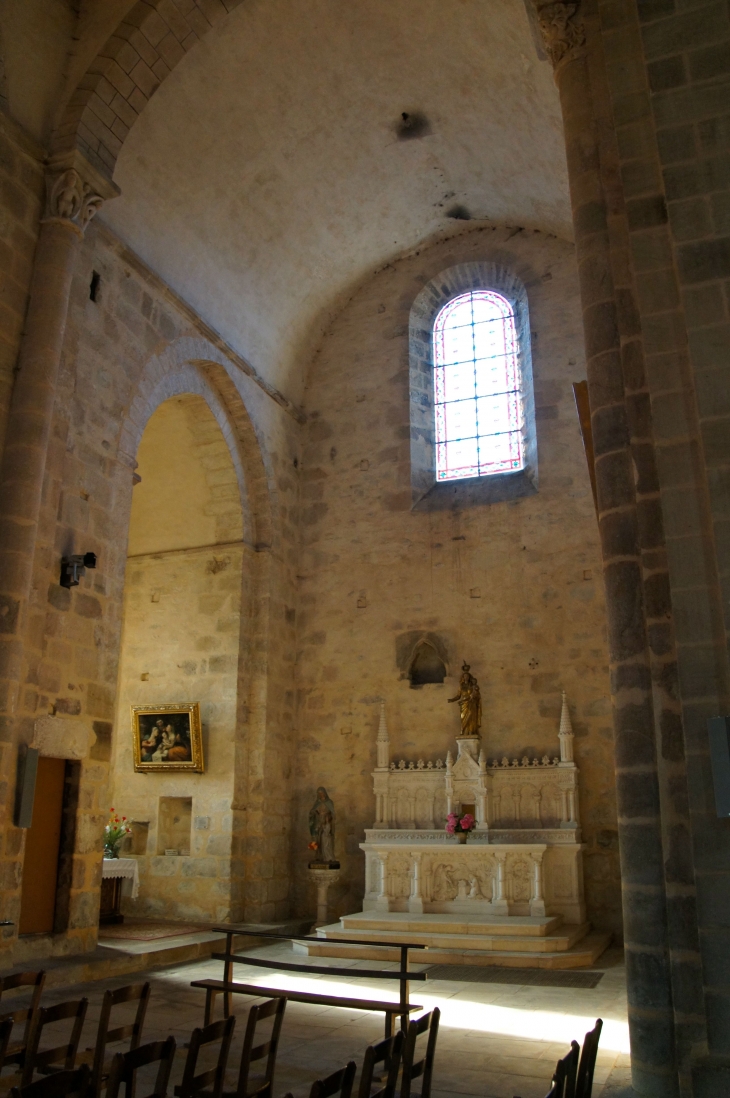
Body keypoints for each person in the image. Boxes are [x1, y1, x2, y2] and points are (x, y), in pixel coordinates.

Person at [448, 662, 482, 736]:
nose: (466, 677)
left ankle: (471, 732)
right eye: (464, 676)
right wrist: (451, 700)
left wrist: (475, 695)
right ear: (463, 677)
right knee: (463, 718)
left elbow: (477, 694)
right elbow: (458, 696)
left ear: (469, 677)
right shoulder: (461, 686)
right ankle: (463, 731)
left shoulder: (472, 685)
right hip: (463, 703)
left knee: (471, 718)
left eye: (467, 676)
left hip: (471, 703)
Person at [308, 786, 335, 863]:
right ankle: (319, 856)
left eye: (322, 793)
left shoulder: (329, 802)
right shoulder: (317, 803)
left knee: (325, 839)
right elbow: (312, 812)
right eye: (319, 794)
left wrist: (327, 817)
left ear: (325, 793)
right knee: (317, 840)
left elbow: (332, 814)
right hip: (318, 823)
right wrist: (315, 813)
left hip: (326, 823)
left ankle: (328, 856)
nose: (321, 795)